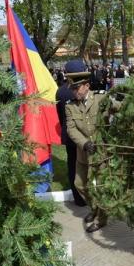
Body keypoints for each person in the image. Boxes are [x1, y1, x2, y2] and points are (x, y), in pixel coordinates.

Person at [65, 60, 119, 233]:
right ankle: (94, 208)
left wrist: (122, 105)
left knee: (101, 186)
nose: (73, 92)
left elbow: (118, 108)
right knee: (79, 184)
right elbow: (71, 129)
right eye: (72, 88)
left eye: (76, 88)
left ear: (86, 86)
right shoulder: (70, 106)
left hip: (101, 153)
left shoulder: (101, 98)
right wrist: (85, 143)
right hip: (83, 153)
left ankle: (101, 219)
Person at [56, 61, 88, 207]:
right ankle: (87, 195)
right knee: (84, 165)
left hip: (69, 136)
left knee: (72, 165)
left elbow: (60, 116)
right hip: (82, 135)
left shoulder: (60, 91)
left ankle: (78, 198)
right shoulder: (81, 89)